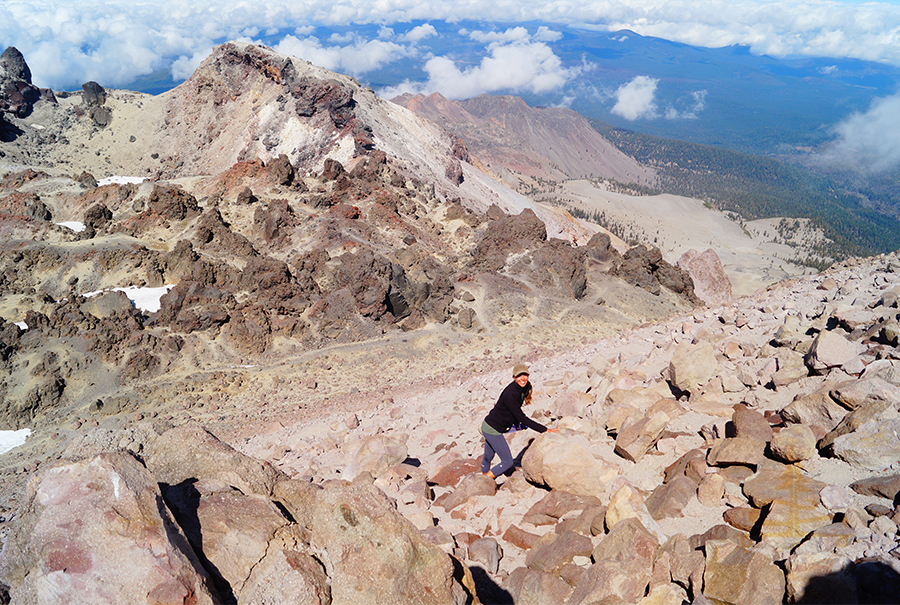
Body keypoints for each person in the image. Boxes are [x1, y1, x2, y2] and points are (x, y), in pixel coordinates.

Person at [481, 363, 557, 479]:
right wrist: (545, 430)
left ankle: (484, 477)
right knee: (507, 462)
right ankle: (484, 480)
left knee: (488, 456)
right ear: (514, 377)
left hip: (496, 425)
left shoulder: (526, 386)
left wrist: (516, 422)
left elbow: (516, 407)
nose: (522, 378)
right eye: (519, 376)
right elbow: (522, 417)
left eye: (525, 375)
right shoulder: (510, 394)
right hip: (492, 428)